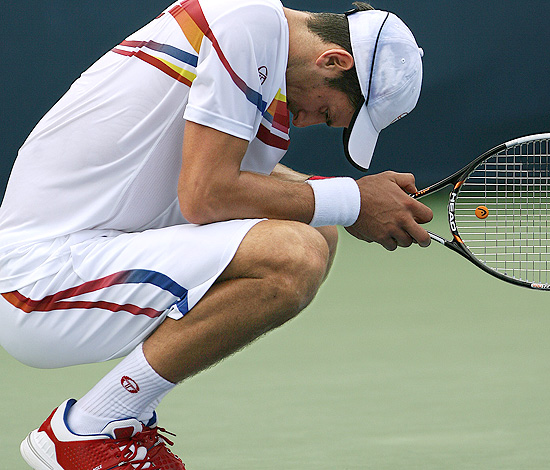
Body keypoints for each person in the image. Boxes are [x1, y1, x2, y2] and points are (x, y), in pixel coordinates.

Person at [0, 0, 432, 468]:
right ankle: (90, 429)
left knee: (319, 229)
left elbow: (222, 173)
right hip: (38, 282)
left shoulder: (251, 35)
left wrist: (352, 202)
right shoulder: (251, 24)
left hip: (84, 264)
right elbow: (206, 196)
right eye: (327, 113)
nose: (309, 121)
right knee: (294, 252)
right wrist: (354, 200)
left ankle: (119, 421)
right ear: (332, 60)